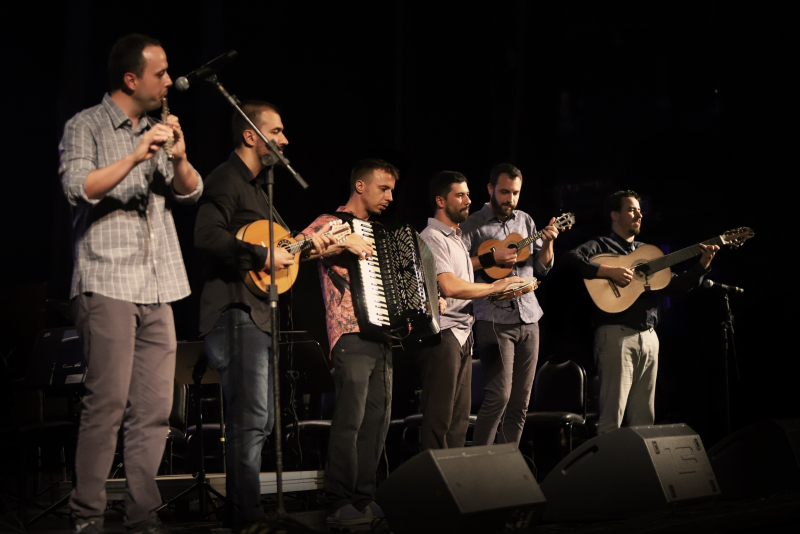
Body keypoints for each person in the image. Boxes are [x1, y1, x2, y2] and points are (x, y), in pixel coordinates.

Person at [59, 34, 202, 534]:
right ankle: (87, 517)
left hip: (159, 284)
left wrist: (178, 156)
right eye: (160, 73)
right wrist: (137, 156)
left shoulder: (158, 129)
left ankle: (143, 516)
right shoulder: (87, 125)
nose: (169, 81)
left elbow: (191, 192)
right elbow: (78, 187)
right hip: (107, 280)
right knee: (107, 405)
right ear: (130, 79)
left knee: (156, 410)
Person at [194, 101, 332, 530]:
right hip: (234, 313)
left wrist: (311, 246)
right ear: (250, 135)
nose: (285, 140)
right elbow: (206, 235)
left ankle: (247, 515)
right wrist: (260, 254)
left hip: (256, 316)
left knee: (263, 419)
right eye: (277, 131)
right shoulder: (226, 179)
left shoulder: (259, 191)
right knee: (251, 419)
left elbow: (282, 250)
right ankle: (247, 520)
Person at [562, 190, 718, 435]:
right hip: (616, 335)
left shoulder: (647, 253)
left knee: (645, 420)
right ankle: (608, 461)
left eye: (639, 210)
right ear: (615, 215)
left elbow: (675, 285)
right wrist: (607, 271)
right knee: (612, 418)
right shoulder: (601, 245)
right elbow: (570, 259)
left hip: (649, 337)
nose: (639, 214)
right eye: (632, 209)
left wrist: (702, 265)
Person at [300, 159, 402, 526]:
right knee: (351, 419)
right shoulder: (332, 222)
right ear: (360, 186)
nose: (390, 197)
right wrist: (342, 240)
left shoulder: (381, 233)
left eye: (392, 190)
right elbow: (292, 249)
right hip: (349, 332)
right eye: (383, 188)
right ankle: (338, 500)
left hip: (382, 335)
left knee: (376, 420)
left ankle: (364, 497)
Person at [418, 171, 524, 451]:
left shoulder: (456, 237)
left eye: (467, 194)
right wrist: (494, 287)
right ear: (441, 201)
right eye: (460, 195)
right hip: (443, 335)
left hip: (463, 333)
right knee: (439, 419)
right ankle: (433, 476)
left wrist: (503, 289)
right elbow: (449, 286)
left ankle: (454, 475)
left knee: (459, 422)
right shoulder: (432, 237)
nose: (468, 200)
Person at [459, 164, 559, 446]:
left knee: (521, 401)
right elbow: (455, 267)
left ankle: (507, 461)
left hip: (529, 316)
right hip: (493, 318)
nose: (510, 199)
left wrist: (548, 243)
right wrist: (492, 259)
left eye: (515, 193)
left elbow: (541, 267)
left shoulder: (525, 220)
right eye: (504, 192)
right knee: (499, 396)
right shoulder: (472, 223)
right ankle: (480, 460)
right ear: (490, 189)